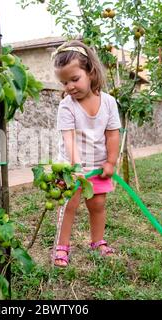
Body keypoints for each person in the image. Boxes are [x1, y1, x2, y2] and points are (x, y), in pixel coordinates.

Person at [52, 40, 121, 267]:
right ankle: (61, 246)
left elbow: (112, 134)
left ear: (90, 72)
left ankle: (97, 241)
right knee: (68, 205)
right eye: (64, 82)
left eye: (74, 79)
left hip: (98, 165)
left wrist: (111, 161)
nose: (70, 86)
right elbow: (69, 138)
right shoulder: (67, 106)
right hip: (71, 166)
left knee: (98, 204)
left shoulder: (109, 102)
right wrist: (75, 167)